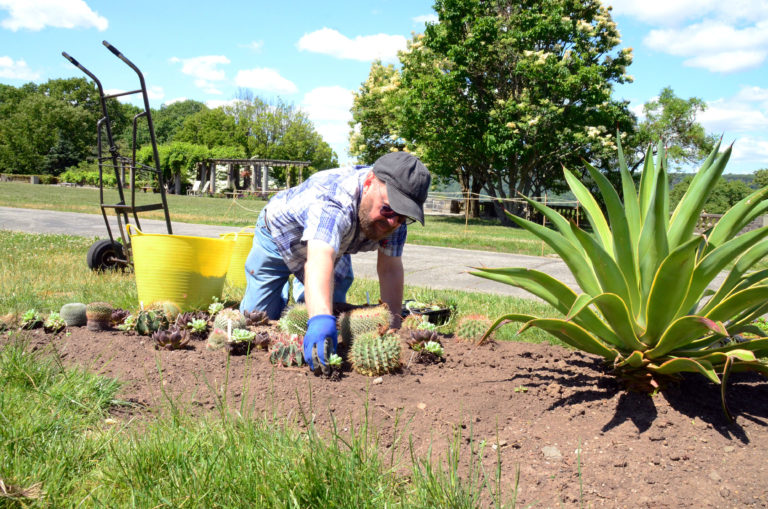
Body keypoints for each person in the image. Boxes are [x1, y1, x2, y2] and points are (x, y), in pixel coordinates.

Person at [239, 151, 431, 371]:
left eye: (403, 216)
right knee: (258, 319)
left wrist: (394, 326)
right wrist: (320, 318)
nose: (393, 221)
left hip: (333, 247)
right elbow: (320, 258)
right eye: (387, 208)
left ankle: (307, 298)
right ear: (369, 183)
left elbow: (390, 269)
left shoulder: (395, 217)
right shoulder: (333, 199)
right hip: (279, 238)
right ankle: (283, 293)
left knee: (334, 312)